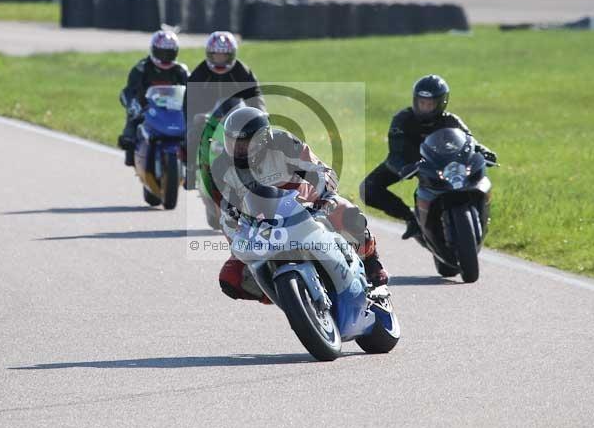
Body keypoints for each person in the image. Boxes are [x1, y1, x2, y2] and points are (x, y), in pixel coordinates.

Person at [213, 106, 388, 302]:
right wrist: (237, 240)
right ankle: (288, 297)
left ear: (262, 139)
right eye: (233, 142)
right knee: (230, 279)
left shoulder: (283, 143)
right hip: (264, 229)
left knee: (346, 212)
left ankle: (372, 262)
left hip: (306, 208)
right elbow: (226, 215)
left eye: (245, 143)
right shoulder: (222, 168)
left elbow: (321, 171)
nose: (238, 149)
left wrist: (324, 197)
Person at [360, 74, 497, 240]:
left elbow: (470, 140)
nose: (425, 107)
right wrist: (404, 168)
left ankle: (478, 216)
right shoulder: (402, 119)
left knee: (474, 180)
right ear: (415, 100)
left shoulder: (451, 120)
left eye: (430, 104)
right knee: (368, 189)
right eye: (422, 103)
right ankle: (411, 218)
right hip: (409, 164)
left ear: (441, 103)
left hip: (442, 165)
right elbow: (395, 153)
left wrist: (483, 151)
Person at [185, 31, 266, 188]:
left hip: (236, 114)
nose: (220, 59)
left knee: (261, 135)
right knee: (192, 134)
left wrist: (261, 114)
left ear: (232, 55)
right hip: (207, 115)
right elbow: (190, 99)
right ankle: (190, 171)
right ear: (209, 54)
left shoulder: (242, 70)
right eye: (216, 55)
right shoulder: (199, 73)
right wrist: (194, 116)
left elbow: (255, 95)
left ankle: (264, 170)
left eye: (224, 56)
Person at [117, 30, 189, 166]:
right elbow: (128, 91)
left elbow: (193, 91)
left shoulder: (181, 70)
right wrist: (133, 104)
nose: (165, 57)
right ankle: (131, 153)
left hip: (173, 109)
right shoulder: (141, 68)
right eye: (161, 53)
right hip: (146, 108)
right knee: (131, 126)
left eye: (169, 53)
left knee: (192, 129)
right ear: (153, 50)